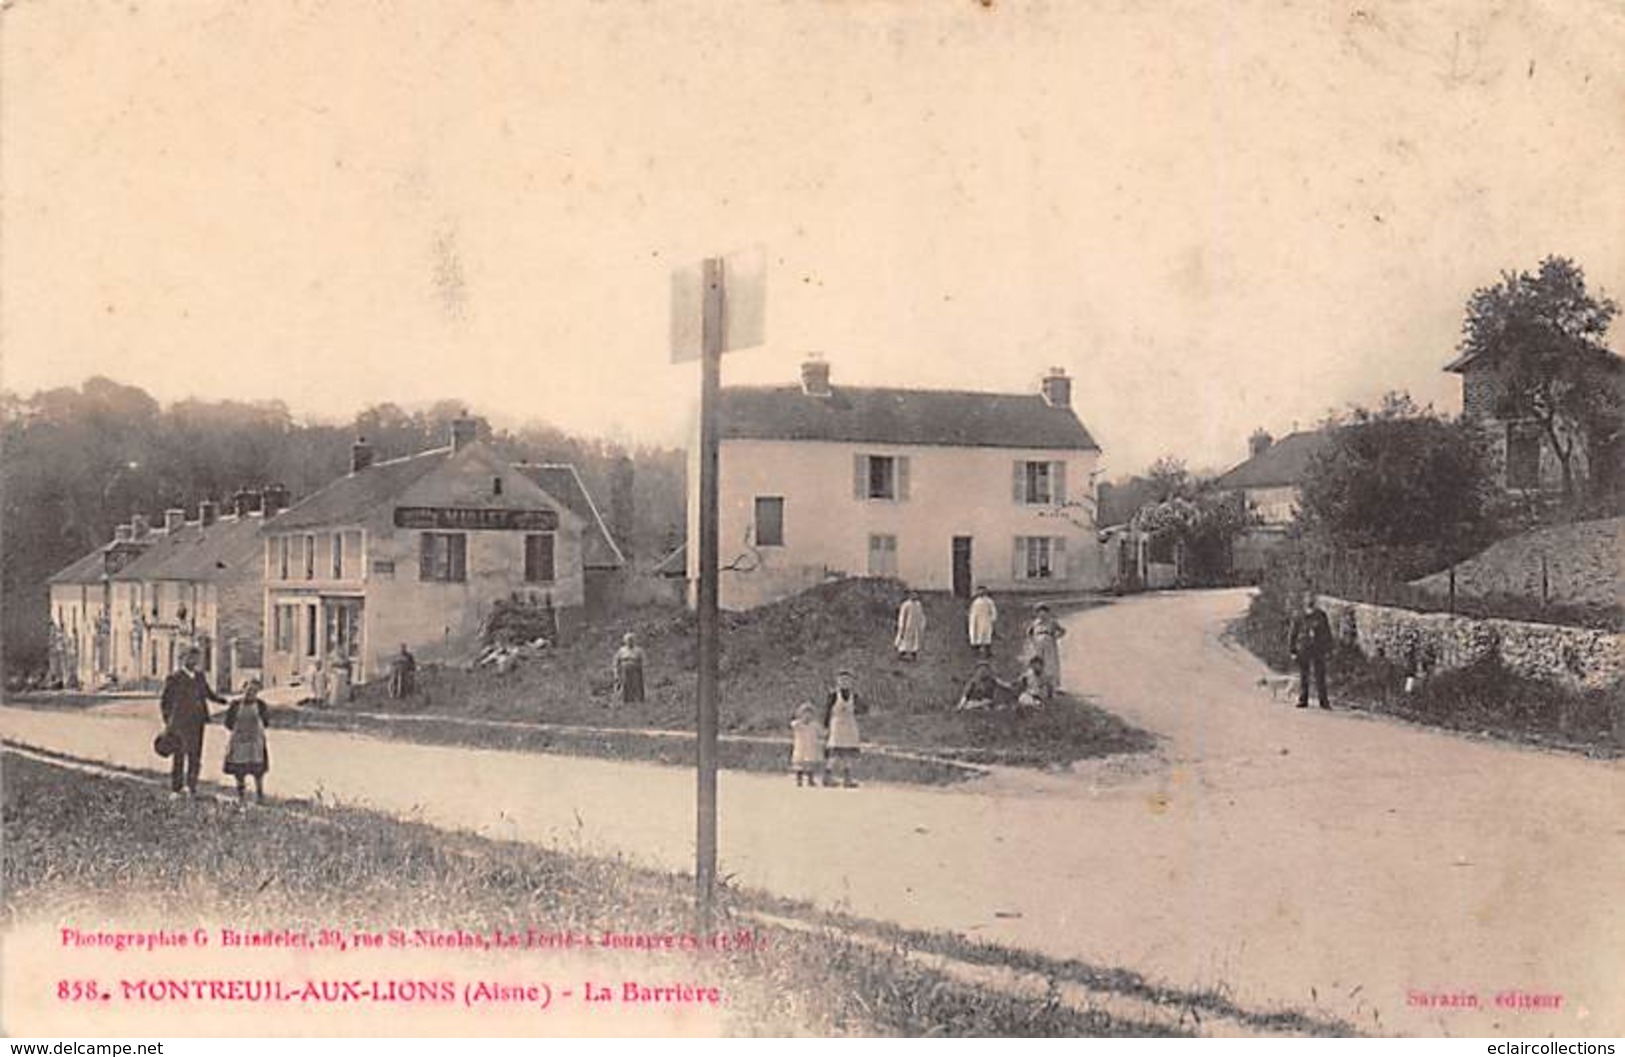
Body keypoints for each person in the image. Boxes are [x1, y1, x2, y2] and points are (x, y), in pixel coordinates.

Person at [158, 647, 225, 797]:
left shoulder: (199, 677)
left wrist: (223, 701)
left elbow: (207, 693)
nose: (194, 661)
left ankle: (191, 786)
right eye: (191, 657)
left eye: (196, 658)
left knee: (195, 755)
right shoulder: (175, 678)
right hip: (179, 723)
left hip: (197, 721)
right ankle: (176, 788)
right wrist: (168, 721)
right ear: (183, 659)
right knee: (179, 755)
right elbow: (165, 701)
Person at [222, 678, 270, 804]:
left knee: (258, 770)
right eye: (248, 690)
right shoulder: (235, 705)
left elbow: (266, 722)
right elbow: (228, 723)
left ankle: (260, 796)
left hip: (255, 743)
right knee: (239, 770)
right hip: (239, 742)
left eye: (254, 691)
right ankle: (241, 796)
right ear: (243, 689)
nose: (250, 693)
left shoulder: (261, 705)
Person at [1288, 592, 1334, 710]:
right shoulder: (1298, 616)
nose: (1310, 601)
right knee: (1304, 675)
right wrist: (1292, 650)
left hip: (1318, 649)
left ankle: (1323, 701)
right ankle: (1303, 699)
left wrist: (1329, 649)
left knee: (1320, 675)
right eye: (1308, 598)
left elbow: (1327, 633)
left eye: (1312, 598)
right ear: (1304, 601)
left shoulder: (1321, 615)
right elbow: (1293, 634)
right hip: (1304, 648)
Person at [822, 669, 868, 788]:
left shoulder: (854, 696)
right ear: (837, 682)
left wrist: (861, 708)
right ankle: (827, 776)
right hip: (837, 724)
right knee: (835, 752)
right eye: (842, 680)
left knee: (848, 752)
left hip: (850, 725)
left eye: (847, 680)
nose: (845, 683)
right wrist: (826, 726)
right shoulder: (833, 696)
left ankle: (847, 778)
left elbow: (862, 709)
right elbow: (827, 711)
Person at [1023, 604, 1067, 691]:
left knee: (1051, 664)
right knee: (1038, 663)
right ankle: (1037, 684)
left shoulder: (1052, 622)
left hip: (1049, 643)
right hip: (1038, 644)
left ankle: (1053, 685)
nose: (1042, 614)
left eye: (1044, 612)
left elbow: (1062, 631)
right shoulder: (1035, 623)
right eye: (1039, 612)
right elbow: (1028, 633)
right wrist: (1032, 641)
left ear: (1047, 613)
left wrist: (1056, 636)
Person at [789, 701, 825, 788]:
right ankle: (799, 779)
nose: (807, 716)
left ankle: (810, 779)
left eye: (810, 714)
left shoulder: (814, 725)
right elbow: (792, 725)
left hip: (811, 747)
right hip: (800, 747)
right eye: (805, 714)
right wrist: (800, 720)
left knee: (810, 764)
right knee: (799, 764)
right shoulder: (798, 725)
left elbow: (821, 733)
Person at [612, 632, 646, 705]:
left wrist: (641, 668)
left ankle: (636, 701)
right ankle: (625, 701)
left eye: (631, 640)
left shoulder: (638, 650)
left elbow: (642, 661)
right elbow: (616, 661)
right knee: (625, 684)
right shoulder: (621, 650)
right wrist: (616, 672)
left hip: (635, 670)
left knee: (635, 684)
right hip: (624, 670)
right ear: (625, 641)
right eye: (628, 640)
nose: (630, 642)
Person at [894, 591, 926, 661]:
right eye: (912, 595)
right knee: (905, 640)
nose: (914, 596)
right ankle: (901, 653)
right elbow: (902, 616)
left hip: (915, 626)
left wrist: (922, 624)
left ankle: (914, 654)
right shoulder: (906, 604)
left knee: (915, 641)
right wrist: (901, 625)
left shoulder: (918, 605)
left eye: (915, 595)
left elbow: (921, 615)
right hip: (907, 626)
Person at [967, 586, 998, 658]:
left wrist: (992, 618)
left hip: (986, 620)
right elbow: (973, 613)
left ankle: (988, 651)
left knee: (987, 635)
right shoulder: (976, 602)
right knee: (976, 635)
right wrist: (972, 620)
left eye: (983, 592)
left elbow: (993, 611)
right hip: (977, 620)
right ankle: (976, 651)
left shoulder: (989, 602)